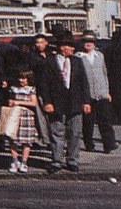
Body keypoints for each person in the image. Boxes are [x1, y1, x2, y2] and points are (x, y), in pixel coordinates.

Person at [39, 35, 92, 174]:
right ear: (63, 48)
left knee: (75, 132)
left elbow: (84, 83)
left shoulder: (77, 61)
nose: (72, 49)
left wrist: (86, 101)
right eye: (70, 46)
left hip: (75, 102)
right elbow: (44, 84)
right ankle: (57, 161)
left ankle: (72, 160)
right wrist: (47, 102)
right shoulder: (49, 62)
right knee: (57, 132)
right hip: (56, 102)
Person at [76, 30, 117, 153]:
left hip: (101, 93)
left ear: (94, 44)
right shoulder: (78, 57)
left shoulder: (100, 56)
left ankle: (108, 144)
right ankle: (89, 144)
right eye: (86, 42)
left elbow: (104, 74)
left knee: (105, 121)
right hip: (87, 95)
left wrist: (107, 91)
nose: (88, 44)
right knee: (88, 122)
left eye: (91, 42)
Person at [6, 69, 38, 174]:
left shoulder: (31, 89)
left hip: (27, 116)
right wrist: (11, 102)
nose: (21, 80)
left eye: (24, 78)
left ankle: (24, 162)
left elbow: (34, 103)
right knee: (13, 139)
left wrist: (17, 102)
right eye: (20, 78)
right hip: (15, 115)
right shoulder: (13, 89)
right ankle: (15, 160)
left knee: (26, 141)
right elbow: (9, 101)